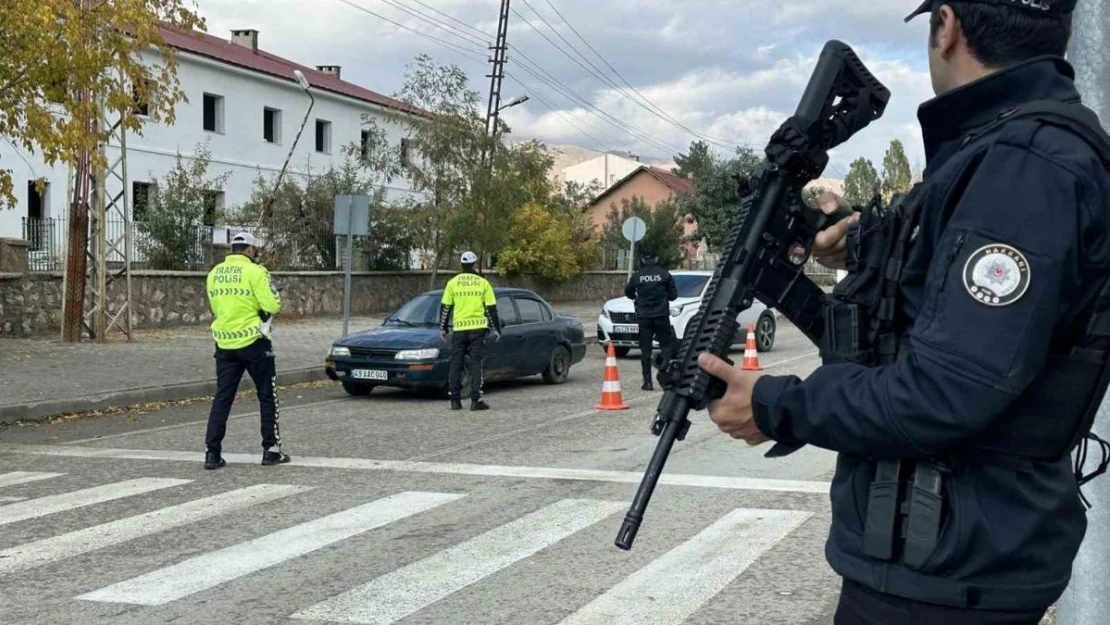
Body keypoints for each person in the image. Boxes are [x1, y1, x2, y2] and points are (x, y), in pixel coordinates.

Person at [696, 2, 1110, 624]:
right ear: (1065, 29)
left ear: (946, 26)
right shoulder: (996, 151)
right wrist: (857, 244)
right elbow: (936, 310)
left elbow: (945, 391)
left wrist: (775, 405)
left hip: (946, 568)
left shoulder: (1025, 165)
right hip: (942, 554)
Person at [203, 232, 290, 470]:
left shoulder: (214, 274)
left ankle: (212, 453)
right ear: (250, 250)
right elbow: (272, 305)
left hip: (224, 343)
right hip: (255, 342)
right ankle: (271, 450)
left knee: (223, 397)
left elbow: (215, 307)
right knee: (266, 395)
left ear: (234, 249)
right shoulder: (256, 272)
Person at [438, 251, 501, 411]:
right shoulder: (483, 283)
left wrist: (443, 328)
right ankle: (475, 400)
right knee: (476, 364)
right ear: (475, 264)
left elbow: (445, 308)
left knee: (456, 364)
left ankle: (455, 401)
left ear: (461, 264)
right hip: (478, 329)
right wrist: (496, 328)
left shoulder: (453, 283)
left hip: (459, 330)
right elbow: (491, 309)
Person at [624, 248, 678, 390]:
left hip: (644, 317)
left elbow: (628, 292)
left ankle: (647, 382)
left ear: (642, 259)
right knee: (666, 346)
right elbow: (674, 296)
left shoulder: (638, 275)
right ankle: (663, 371)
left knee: (645, 351)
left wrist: (637, 297)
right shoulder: (664, 274)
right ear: (656, 258)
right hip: (661, 316)